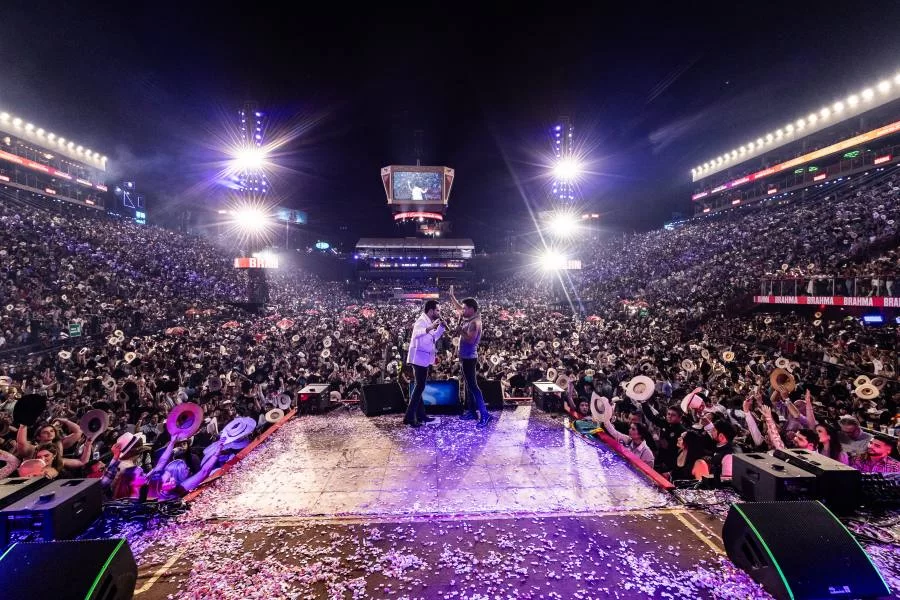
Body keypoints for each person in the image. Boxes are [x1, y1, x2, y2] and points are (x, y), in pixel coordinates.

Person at [448, 286, 492, 428]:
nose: (462, 311)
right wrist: (451, 296)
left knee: (474, 387)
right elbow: (459, 307)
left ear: (472, 309)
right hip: (464, 357)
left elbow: (471, 340)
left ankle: (484, 415)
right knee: (468, 386)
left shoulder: (475, 322)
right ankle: (472, 412)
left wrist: (460, 330)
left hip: (469, 359)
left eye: (465, 309)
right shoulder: (469, 316)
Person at [404, 300, 445, 428]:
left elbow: (433, 337)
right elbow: (416, 334)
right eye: (437, 310)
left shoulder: (429, 322)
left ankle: (421, 415)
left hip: (424, 358)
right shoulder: (422, 320)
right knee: (420, 386)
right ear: (431, 310)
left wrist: (441, 327)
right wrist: (431, 327)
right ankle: (410, 417)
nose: (439, 313)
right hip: (418, 358)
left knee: (419, 386)